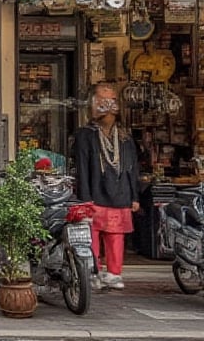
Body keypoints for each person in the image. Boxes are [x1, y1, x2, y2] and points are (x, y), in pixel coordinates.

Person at [73, 83, 140, 290]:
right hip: (94, 192)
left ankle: (114, 272)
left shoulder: (125, 136)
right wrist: (84, 197)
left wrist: (134, 196)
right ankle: (93, 270)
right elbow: (82, 168)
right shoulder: (85, 135)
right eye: (103, 101)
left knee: (116, 235)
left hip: (121, 193)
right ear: (93, 105)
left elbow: (132, 167)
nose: (108, 106)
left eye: (111, 101)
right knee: (92, 234)